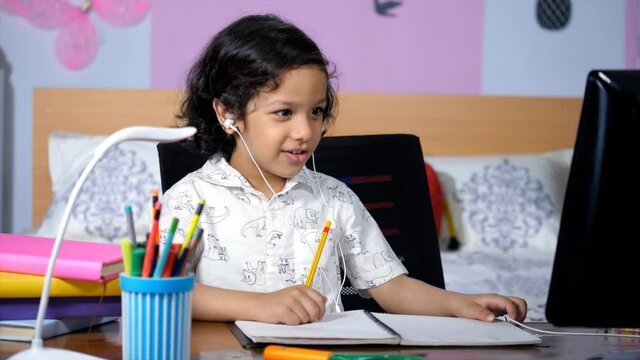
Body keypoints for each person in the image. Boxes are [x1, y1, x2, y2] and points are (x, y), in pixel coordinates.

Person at [159, 14, 527, 325]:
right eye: (284, 112)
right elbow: (162, 290)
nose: (305, 132)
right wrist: (259, 306)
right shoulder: (188, 200)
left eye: (316, 111)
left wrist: (460, 304)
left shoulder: (334, 198)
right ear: (228, 113)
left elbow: (391, 287)